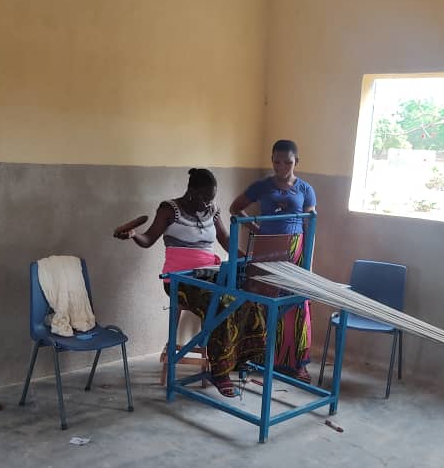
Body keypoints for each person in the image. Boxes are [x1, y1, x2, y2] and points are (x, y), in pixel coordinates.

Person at [114, 168, 266, 398]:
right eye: (204, 198)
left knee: (249, 298)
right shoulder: (169, 210)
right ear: (191, 191)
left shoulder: (212, 211)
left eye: (211, 199)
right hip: (179, 281)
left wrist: (250, 261)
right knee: (222, 304)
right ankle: (219, 371)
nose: (208, 203)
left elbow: (227, 243)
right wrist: (134, 234)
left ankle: (242, 359)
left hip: (210, 274)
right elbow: (148, 240)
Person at [230, 139, 316, 382]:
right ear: (272, 161)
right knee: (261, 302)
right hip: (267, 250)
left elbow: (310, 224)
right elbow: (235, 207)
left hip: (296, 251)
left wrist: (309, 260)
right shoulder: (261, 186)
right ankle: (256, 358)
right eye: (276, 161)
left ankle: (297, 362)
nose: (281, 167)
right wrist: (256, 228)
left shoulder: (306, 189)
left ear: (296, 162)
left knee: (297, 303)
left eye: (287, 162)